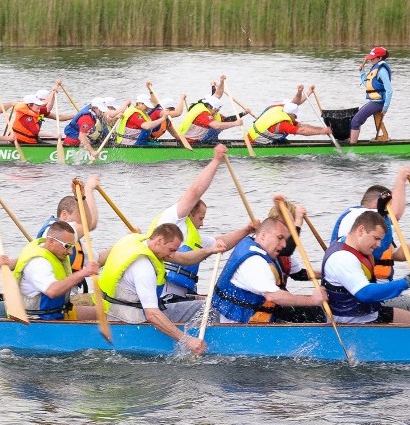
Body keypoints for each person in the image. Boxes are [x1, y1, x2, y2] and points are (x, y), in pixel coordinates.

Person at [148, 144, 256, 300]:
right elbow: (195, 192)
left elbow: (221, 242)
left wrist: (247, 230)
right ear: (190, 212)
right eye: (201, 218)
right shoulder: (173, 219)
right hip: (162, 294)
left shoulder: (193, 238)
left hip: (181, 294)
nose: (202, 223)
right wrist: (216, 161)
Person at [99, 223, 217, 355]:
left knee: (199, 305)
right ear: (159, 240)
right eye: (171, 250)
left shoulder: (135, 241)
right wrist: (186, 340)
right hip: (132, 317)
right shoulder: (143, 268)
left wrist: (210, 250)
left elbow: (184, 259)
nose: (172, 255)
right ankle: (198, 342)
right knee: (209, 307)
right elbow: (152, 315)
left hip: (112, 309)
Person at [331, 167, 410, 313]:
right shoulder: (360, 215)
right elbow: (396, 214)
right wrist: (400, 179)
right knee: (409, 302)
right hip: (365, 297)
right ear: (380, 204)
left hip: (382, 291)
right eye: (389, 207)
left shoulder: (373, 232)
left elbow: (396, 255)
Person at [214, 218, 325, 324]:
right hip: (240, 324)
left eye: (285, 240)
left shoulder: (254, 246)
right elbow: (273, 297)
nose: (284, 245)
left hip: (251, 315)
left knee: (314, 312)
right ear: (263, 235)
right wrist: (312, 300)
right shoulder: (255, 262)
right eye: (279, 238)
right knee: (316, 314)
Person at [322, 211, 410, 325]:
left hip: (368, 313)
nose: (378, 244)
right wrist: (405, 283)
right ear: (361, 230)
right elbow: (366, 293)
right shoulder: (343, 258)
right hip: (351, 322)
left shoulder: (348, 241)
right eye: (376, 238)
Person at [15, 220, 100, 320]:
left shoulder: (55, 253)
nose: (70, 252)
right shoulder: (38, 263)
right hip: (37, 321)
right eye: (67, 246)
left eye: (72, 247)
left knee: (102, 313)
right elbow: (52, 291)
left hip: (59, 312)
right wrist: (83, 273)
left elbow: (88, 223)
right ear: (51, 242)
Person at [245, 85, 331, 145]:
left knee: (285, 140)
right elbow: (302, 131)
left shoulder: (279, 108)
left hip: (252, 135)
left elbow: (296, 103)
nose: (296, 117)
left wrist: (305, 92)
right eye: (295, 116)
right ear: (291, 114)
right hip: (256, 141)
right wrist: (322, 132)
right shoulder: (283, 124)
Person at [177, 76, 249, 144]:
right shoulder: (203, 114)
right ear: (210, 107)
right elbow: (217, 126)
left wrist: (243, 113)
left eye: (218, 110)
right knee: (218, 127)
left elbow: (218, 95)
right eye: (216, 110)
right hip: (189, 142)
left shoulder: (208, 107)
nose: (216, 112)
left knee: (223, 123)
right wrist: (235, 124)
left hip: (198, 139)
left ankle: (213, 144)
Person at [350, 46, 392, 144]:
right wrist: (362, 72)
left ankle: (352, 148)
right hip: (374, 101)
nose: (370, 59)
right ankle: (353, 143)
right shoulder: (375, 68)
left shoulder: (382, 71)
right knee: (355, 120)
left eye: (373, 57)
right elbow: (368, 85)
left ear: (380, 58)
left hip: (379, 102)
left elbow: (389, 90)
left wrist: (385, 107)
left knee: (355, 121)